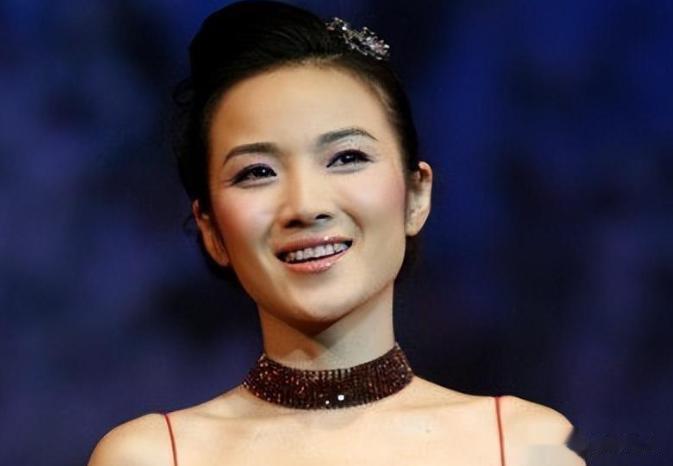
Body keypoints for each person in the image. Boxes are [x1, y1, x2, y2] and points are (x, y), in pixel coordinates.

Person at [88, 1, 585, 465]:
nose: (306, 206)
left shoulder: (519, 444)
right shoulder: (154, 455)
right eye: (257, 172)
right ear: (212, 229)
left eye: (346, 157)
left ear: (416, 196)